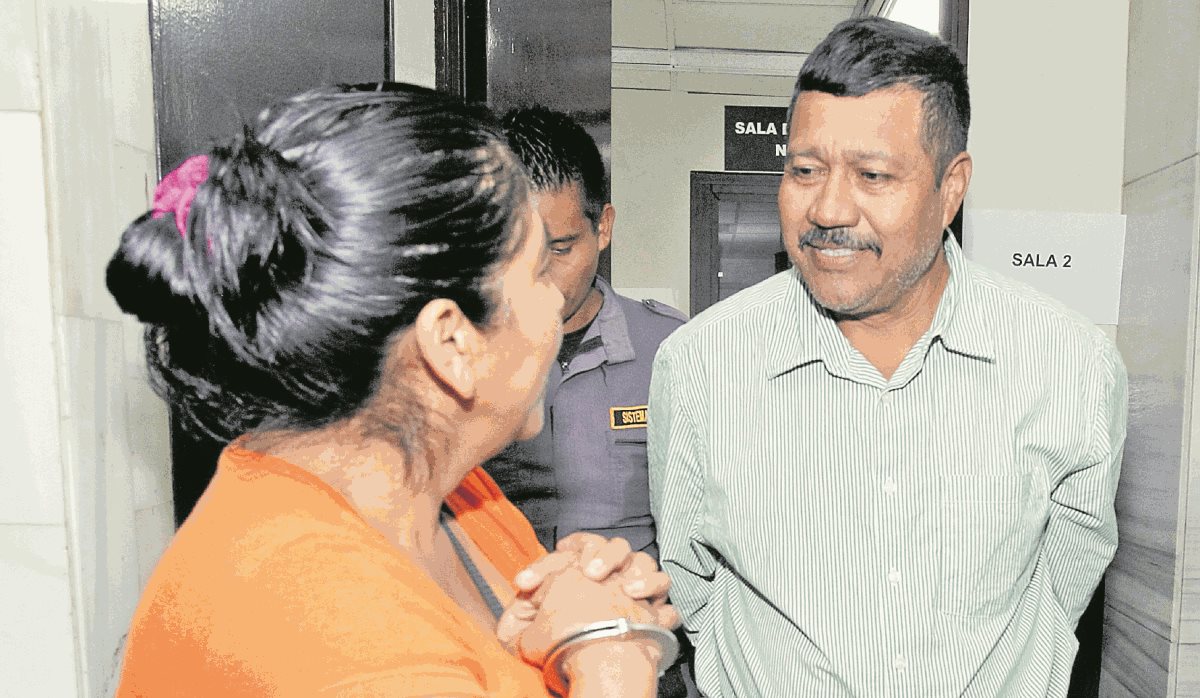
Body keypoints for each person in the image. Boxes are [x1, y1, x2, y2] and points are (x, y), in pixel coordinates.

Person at [109, 82, 680, 697]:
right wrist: (613, 656)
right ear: (452, 342)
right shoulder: (336, 640)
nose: (556, 301)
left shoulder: (445, 492)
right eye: (537, 271)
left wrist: (557, 619)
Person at [648, 16, 1127, 697]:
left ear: (951, 188)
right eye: (804, 170)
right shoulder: (701, 366)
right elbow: (692, 583)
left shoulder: (1068, 366)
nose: (828, 209)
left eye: (872, 175)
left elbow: (1065, 578)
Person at [487, 106, 686, 560]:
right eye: (513, 251)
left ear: (603, 228)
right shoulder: (462, 349)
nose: (538, 276)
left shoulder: (670, 350)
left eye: (560, 249)